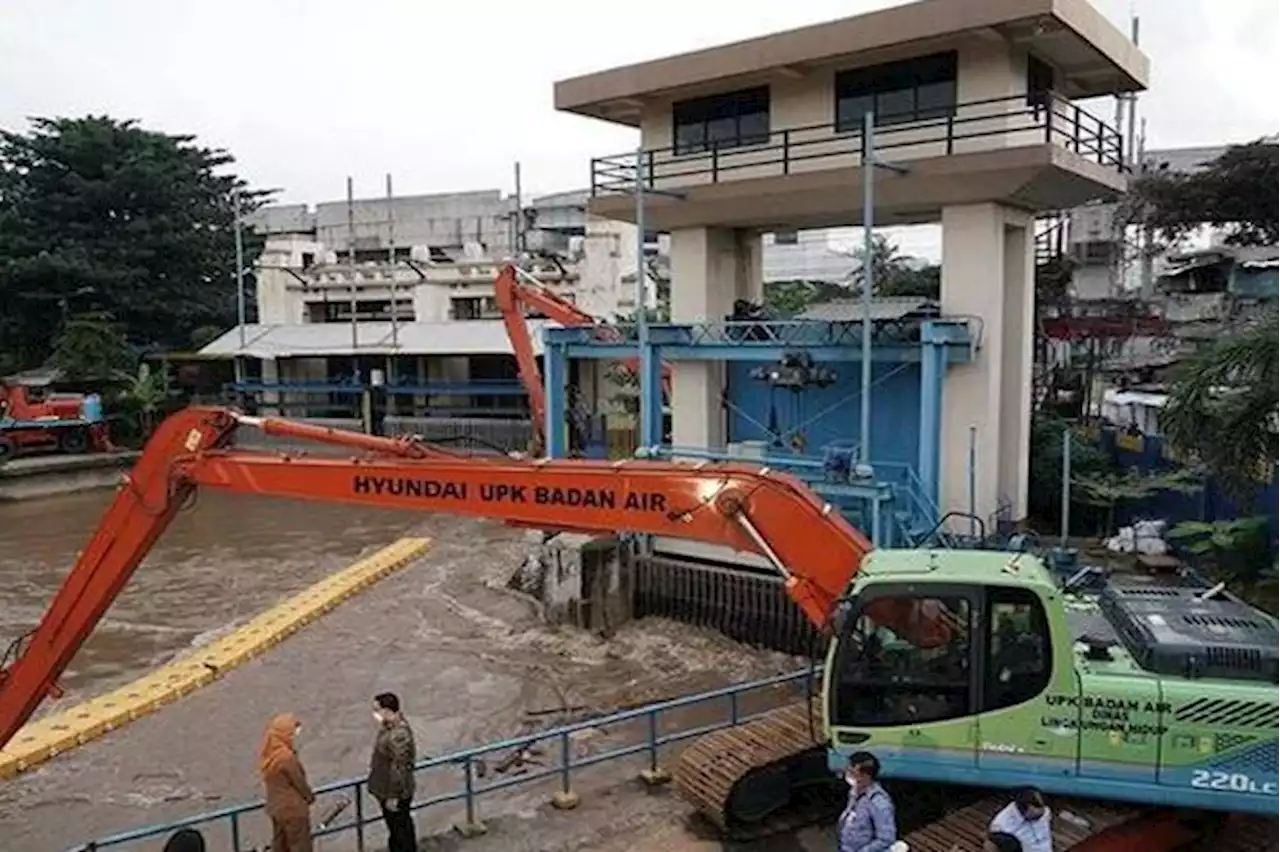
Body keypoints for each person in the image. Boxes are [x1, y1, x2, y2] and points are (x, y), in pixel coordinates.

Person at [368, 691, 418, 852]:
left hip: (393, 792)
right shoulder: (389, 727)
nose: (374, 713)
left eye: (377, 709)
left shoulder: (398, 735)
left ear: (387, 711)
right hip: (387, 788)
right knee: (397, 829)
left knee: (399, 829)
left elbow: (399, 768)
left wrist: (393, 796)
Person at [259, 712, 315, 852]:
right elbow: (299, 781)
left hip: (276, 808)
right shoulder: (286, 757)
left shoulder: (269, 754)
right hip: (293, 809)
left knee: (280, 844)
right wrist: (309, 797)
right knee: (300, 845)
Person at [838, 751, 898, 852]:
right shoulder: (855, 792)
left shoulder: (879, 803)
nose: (848, 775)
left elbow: (886, 839)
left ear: (865, 776)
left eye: (853, 772)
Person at [989, 787, 1051, 852]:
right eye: (1035, 816)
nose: (1040, 818)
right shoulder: (1002, 825)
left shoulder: (1045, 811)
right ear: (1024, 812)